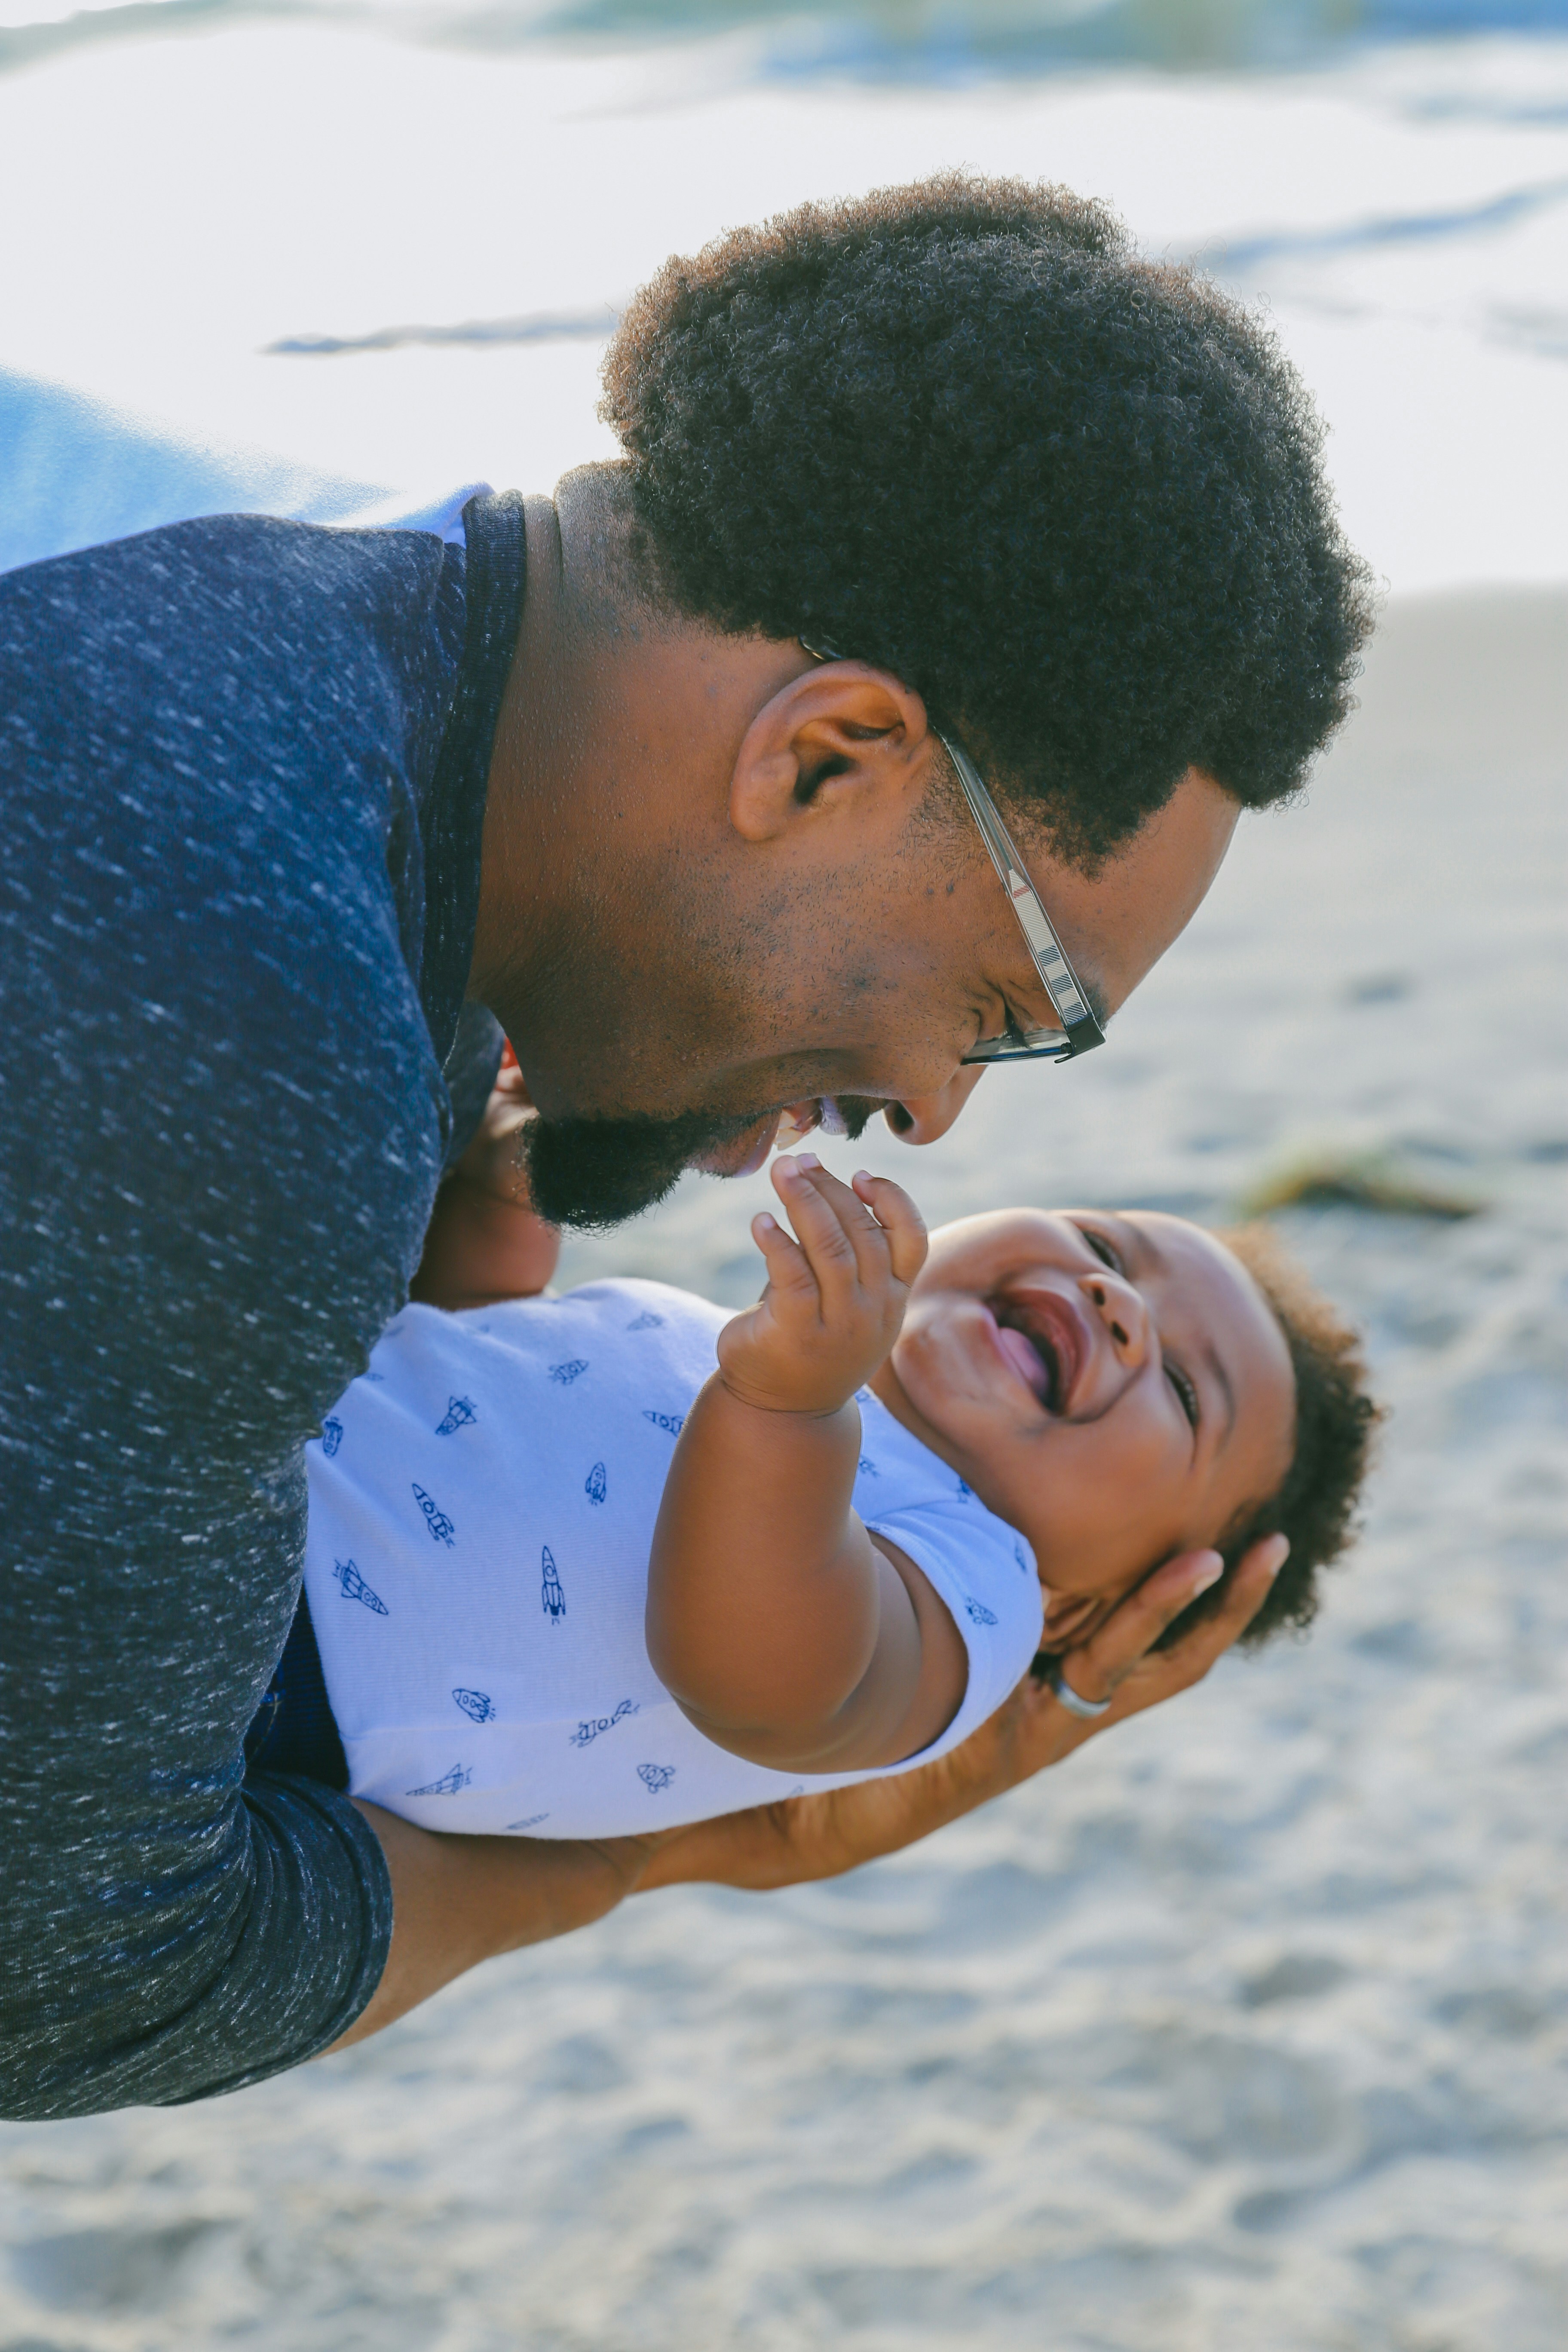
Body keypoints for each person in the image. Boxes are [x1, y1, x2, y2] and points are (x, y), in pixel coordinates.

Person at [0, 174, 1372, 2114]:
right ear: (821, 758)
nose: (941, 1107)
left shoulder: (268, 640)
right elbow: (64, 1988)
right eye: (1008, 1003)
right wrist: (655, 1855)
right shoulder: (243, 1041)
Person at [273, 1149, 1375, 1859]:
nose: (1117, 1300)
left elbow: (759, 1679)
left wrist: (789, 1406)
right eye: (1103, 1245)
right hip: (262, 1445)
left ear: (1084, 1611)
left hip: (285, 1672)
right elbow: (473, 1400)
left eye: (1186, 1392)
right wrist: (511, 1203)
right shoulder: (740, 1346)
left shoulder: (969, 1590)